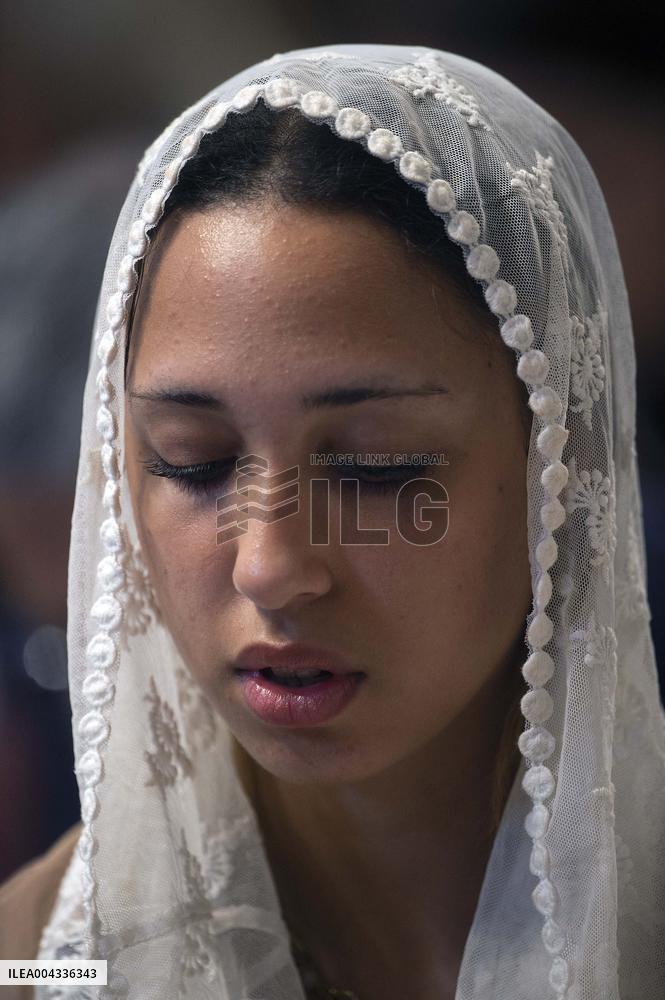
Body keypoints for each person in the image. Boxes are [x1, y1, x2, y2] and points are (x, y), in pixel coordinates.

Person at [0, 42, 662, 1000]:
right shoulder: (35, 957)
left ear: (563, 465)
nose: (269, 566)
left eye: (375, 467)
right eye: (193, 461)